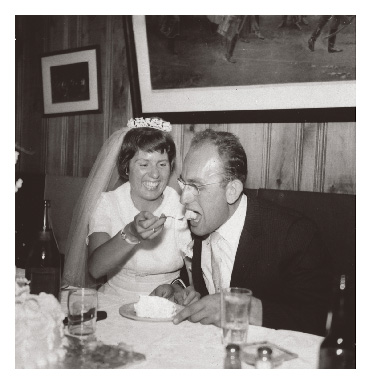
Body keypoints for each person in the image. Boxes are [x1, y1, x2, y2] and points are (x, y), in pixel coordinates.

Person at [152, 129, 331, 336]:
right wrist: (179, 289)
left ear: (232, 191)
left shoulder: (295, 234)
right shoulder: (200, 220)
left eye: (196, 187)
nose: (184, 199)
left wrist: (242, 309)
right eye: (184, 184)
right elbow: (194, 279)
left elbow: (319, 319)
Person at [63, 117, 192, 300]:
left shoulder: (181, 205)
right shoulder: (107, 203)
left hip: (168, 302)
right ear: (126, 168)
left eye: (162, 164)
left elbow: (196, 276)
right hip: (114, 300)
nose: (155, 174)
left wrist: (177, 288)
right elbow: (95, 269)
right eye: (143, 164)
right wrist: (131, 234)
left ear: (170, 167)